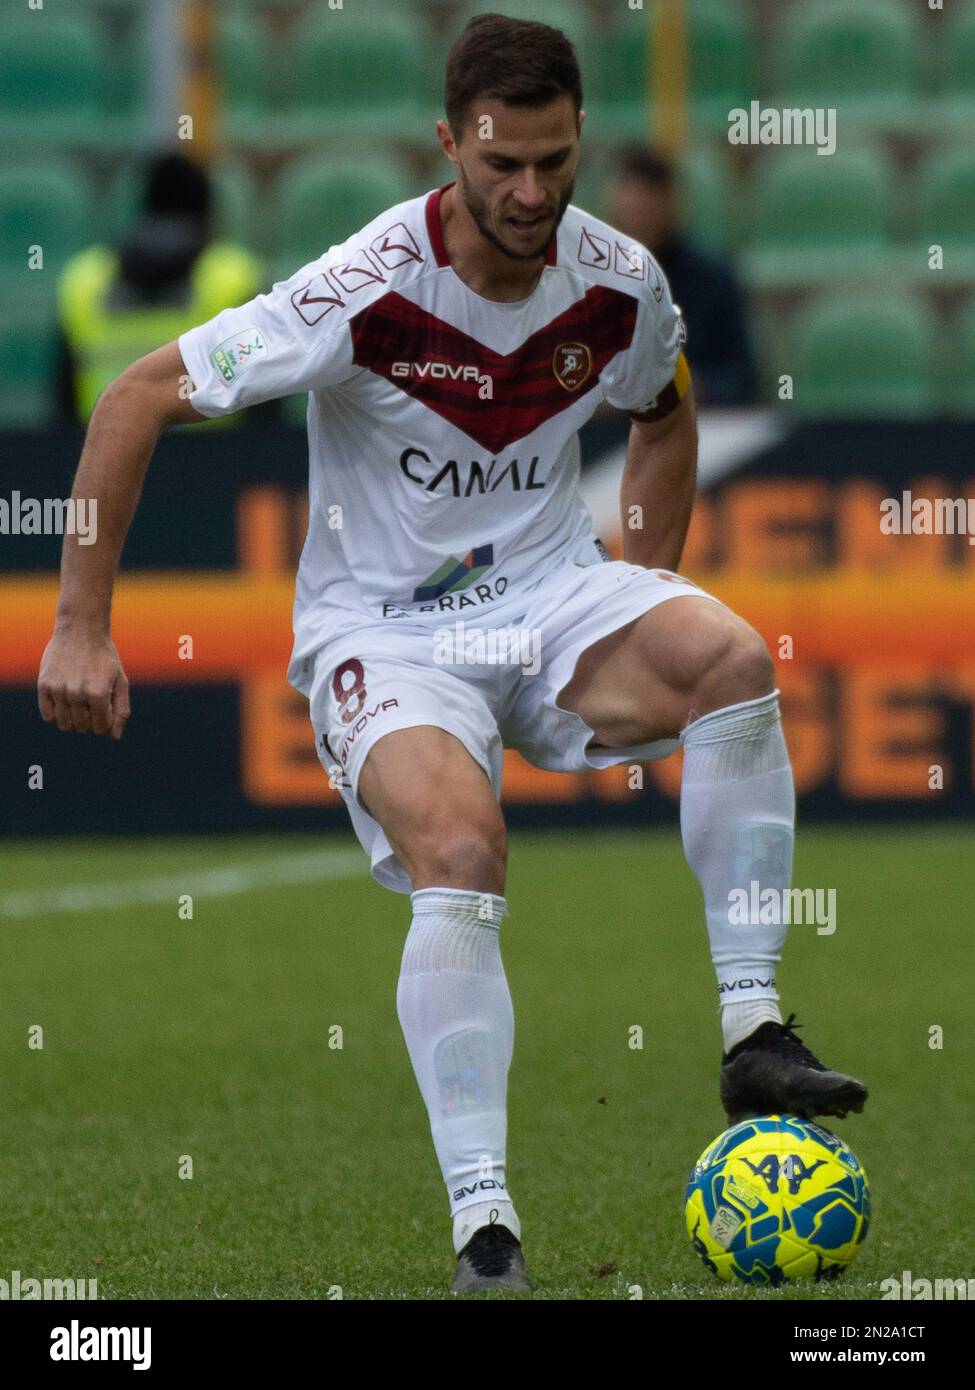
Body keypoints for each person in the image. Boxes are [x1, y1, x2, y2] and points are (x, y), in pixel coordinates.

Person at [37, 15, 867, 1295]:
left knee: (733, 657)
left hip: (550, 600)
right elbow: (136, 393)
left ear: (578, 137)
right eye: (502, 168)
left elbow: (665, 406)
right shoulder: (364, 284)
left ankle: (752, 1027)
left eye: (553, 162)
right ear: (450, 146)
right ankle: (487, 1227)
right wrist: (82, 625)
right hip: (388, 635)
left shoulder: (620, 281)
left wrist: (642, 575)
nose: (531, 195)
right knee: (465, 845)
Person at [55, 152, 267, 428]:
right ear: (207, 211)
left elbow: (63, 401)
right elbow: (265, 403)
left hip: (111, 452)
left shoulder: (83, 278)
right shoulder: (236, 275)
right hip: (217, 459)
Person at [606, 145, 758, 406]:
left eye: (650, 201)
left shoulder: (713, 280)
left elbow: (743, 379)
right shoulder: (584, 278)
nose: (641, 213)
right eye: (633, 199)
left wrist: (694, 387)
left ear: (673, 203)